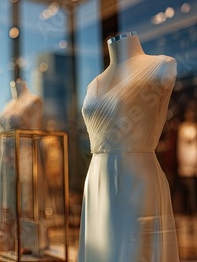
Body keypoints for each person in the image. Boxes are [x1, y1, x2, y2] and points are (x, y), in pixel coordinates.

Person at [78, 31, 179, 261]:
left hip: (135, 179)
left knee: (135, 252)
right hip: (96, 179)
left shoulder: (161, 66)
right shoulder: (94, 83)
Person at [0, 79, 46, 255]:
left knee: (25, 197)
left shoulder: (34, 101)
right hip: (5, 158)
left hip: (24, 156)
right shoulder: (9, 104)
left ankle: (29, 241)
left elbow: (36, 132)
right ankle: (9, 239)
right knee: (7, 197)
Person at [177, 106, 197, 215]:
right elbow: (180, 147)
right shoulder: (182, 128)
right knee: (184, 188)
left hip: (193, 163)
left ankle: (192, 209)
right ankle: (185, 209)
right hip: (184, 162)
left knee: (192, 189)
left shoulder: (194, 128)